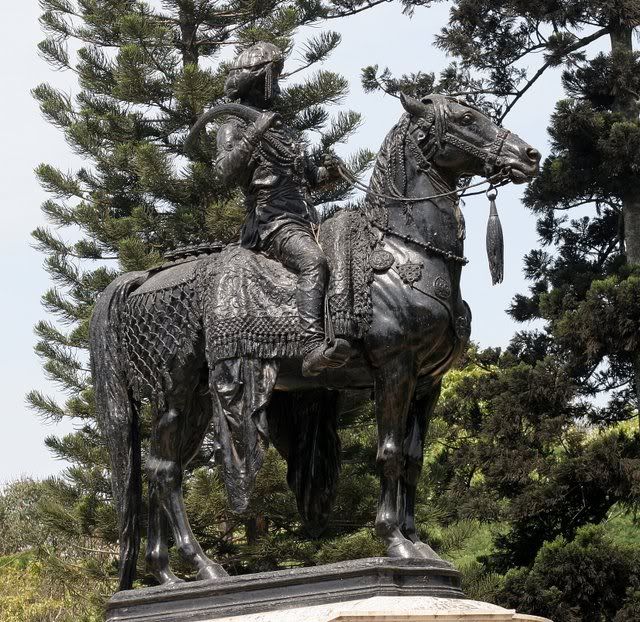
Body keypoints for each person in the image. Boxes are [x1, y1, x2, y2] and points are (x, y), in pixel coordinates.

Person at [215, 42, 351, 377]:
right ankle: (310, 346)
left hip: (307, 222)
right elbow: (221, 173)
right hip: (273, 223)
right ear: (259, 77)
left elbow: (303, 179)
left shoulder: (281, 129)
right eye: (273, 74)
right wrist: (254, 134)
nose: (277, 82)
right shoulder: (233, 125)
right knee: (314, 262)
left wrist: (327, 175)